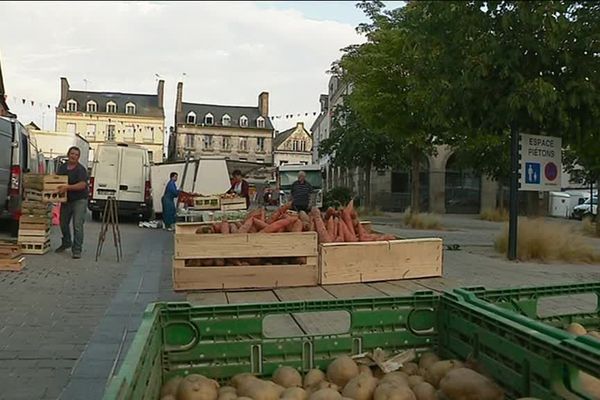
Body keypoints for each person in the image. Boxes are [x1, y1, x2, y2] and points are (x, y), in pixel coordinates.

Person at [55, 146, 88, 259]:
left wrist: (67, 187)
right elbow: (57, 181)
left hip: (79, 200)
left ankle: (77, 250)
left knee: (77, 225)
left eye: (76, 155)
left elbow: (82, 185)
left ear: (78, 157)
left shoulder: (81, 169)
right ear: (68, 154)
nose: (73, 156)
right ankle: (66, 242)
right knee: (63, 223)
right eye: (72, 154)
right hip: (66, 200)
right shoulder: (62, 167)